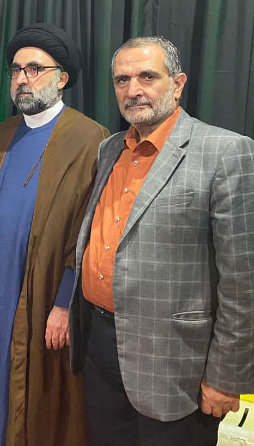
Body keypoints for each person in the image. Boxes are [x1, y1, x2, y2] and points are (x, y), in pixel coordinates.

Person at [69, 36, 254, 446]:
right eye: (122, 80)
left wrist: (226, 377)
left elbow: (243, 282)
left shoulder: (225, 152)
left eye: (147, 76)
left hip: (176, 365)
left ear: (178, 83)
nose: (133, 89)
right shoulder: (108, 149)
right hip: (100, 348)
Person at [0, 24, 109, 446]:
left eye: (35, 69)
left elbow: (88, 231)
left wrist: (64, 303)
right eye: (17, 69)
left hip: (43, 296)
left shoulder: (89, 139)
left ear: (62, 78)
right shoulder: (0, 136)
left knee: (34, 390)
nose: (23, 78)